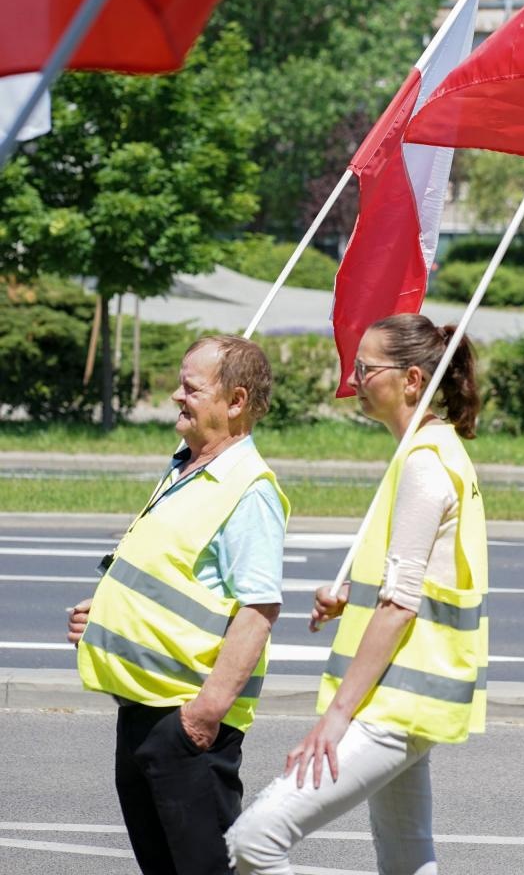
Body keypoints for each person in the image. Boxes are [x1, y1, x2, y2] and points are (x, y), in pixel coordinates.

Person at [227, 313, 488, 875]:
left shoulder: (424, 464)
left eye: (366, 369)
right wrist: (353, 598)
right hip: (409, 695)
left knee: (254, 839)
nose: (353, 379)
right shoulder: (434, 450)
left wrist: (335, 718)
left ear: (412, 380)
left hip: (392, 702)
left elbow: (401, 606)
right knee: (406, 856)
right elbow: (416, 584)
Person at [66, 334, 289, 875]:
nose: (176, 396)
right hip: (143, 712)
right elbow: (171, 576)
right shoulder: (185, 468)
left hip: (187, 722)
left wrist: (204, 715)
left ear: (235, 401)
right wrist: (106, 614)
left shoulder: (248, 489)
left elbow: (258, 612)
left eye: (191, 388)